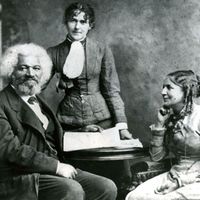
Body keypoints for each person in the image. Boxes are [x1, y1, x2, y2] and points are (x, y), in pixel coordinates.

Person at [0, 43, 117, 200]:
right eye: (23, 68)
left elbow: (48, 136)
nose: (30, 73)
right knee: (72, 190)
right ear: (11, 71)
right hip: (22, 176)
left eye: (36, 68)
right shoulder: (2, 102)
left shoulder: (36, 101)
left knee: (105, 187)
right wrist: (56, 167)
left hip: (49, 169)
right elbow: (10, 151)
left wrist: (80, 132)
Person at [47, 2, 132, 139]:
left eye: (83, 22)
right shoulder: (53, 53)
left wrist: (122, 126)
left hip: (103, 121)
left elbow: (111, 91)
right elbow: (36, 87)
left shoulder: (101, 50)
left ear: (90, 25)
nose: (77, 27)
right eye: (73, 21)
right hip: (69, 122)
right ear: (66, 22)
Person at [126, 70, 200, 200]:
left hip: (196, 179)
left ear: (186, 90)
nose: (163, 92)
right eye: (163, 87)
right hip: (175, 174)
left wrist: (180, 182)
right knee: (134, 196)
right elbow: (156, 157)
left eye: (169, 88)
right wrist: (160, 125)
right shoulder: (169, 118)